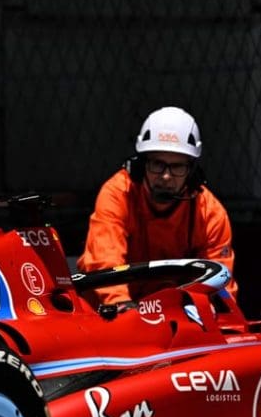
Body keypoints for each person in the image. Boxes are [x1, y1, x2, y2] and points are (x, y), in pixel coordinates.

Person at [77, 106, 237, 306]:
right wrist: (122, 307)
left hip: (178, 316)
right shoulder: (118, 194)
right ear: (140, 165)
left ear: (192, 172)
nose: (166, 176)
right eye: (157, 164)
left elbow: (219, 284)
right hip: (113, 313)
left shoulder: (210, 213)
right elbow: (105, 261)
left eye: (177, 166)